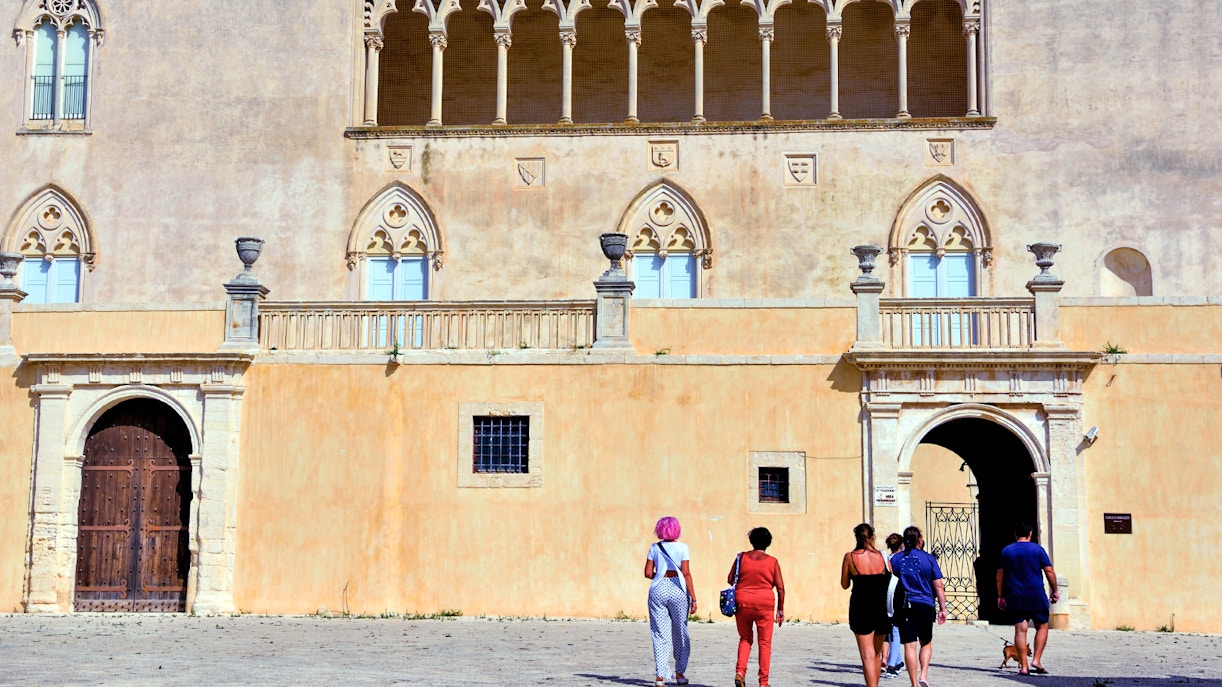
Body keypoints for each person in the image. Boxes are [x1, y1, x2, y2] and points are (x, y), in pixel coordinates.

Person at [996, 521, 1059, 676]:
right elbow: (1049, 570)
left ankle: (1024, 667)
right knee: (1042, 626)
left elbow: (999, 575)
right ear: (1030, 534)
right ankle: (1036, 660)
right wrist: (1055, 590)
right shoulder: (1037, 549)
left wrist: (1000, 595)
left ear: (1015, 534)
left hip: (1015, 595)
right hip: (1036, 594)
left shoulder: (1006, 551)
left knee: (1020, 630)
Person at [891, 526, 947, 687]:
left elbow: (891, 581)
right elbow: (938, 586)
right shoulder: (929, 559)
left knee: (909, 645)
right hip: (925, 604)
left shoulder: (896, 559)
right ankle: (923, 675)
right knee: (926, 642)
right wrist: (943, 608)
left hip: (905, 604)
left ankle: (913, 683)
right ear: (920, 540)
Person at [644, 516, 697, 687]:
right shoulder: (683, 547)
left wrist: (660, 576)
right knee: (680, 631)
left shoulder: (654, 547)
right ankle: (680, 674)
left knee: (660, 633)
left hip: (658, 589)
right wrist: (693, 597)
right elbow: (686, 573)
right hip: (678, 589)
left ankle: (660, 677)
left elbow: (647, 573)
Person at [729, 527, 785, 687]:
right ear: (768, 542)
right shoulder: (773, 562)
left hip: (742, 602)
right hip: (764, 604)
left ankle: (740, 673)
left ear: (752, 541)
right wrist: (780, 609)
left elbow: (730, 579)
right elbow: (780, 588)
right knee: (764, 643)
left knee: (745, 638)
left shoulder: (740, 557)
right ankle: (763, 681)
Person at [840, 523, 892, 687]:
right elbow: (891, 579)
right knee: (876, 654)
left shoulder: (850, 557)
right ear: (872, 537)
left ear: (856, 537)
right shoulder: (883, 557)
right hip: (881, 607)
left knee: (867, 655)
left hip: (860, 607)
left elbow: (844, 584)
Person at [882, 533, 906, 678]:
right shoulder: (904, 558)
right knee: (895, 630)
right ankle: (896, 662)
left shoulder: (887, 558)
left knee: (893, 630)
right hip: (900, 595)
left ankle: (894, 662)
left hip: (889, 596)